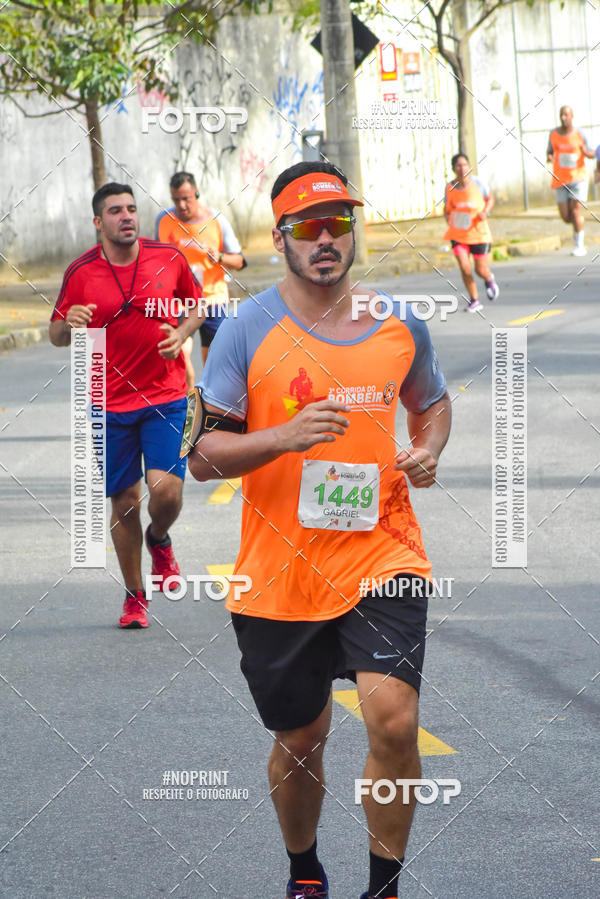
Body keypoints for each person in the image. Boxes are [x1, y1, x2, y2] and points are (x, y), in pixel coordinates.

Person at [187, 161, 452, 899]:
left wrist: (427, 449)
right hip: (279, 572)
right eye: (308, 226)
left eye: (338, 222)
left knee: (394, 723)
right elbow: (203, 454)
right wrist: (285, 436)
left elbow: (430, 402)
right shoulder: (244, 330)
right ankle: (305, 869)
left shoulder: (399, 323)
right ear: (280, 239)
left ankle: (385, 884)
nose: (326, 237)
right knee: (301, 741)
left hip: (383, 551)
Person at [50, 183, 203, 629]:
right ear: (99, 222)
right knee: (124, 504)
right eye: (116, 211)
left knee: (167, 491)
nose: (127, 216)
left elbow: (196, 306)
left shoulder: (168, 258)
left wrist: (183, 333)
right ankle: (135, 595)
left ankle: (160, 538)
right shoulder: (80, 271)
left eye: (132, 209)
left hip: (165, 396)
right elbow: (56, 334)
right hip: (108, 403)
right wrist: (69, 323)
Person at [155, 171, 245, 385]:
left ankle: (210, 406)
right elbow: (155, 259)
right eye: (176, 200)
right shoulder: (164, 220)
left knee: (215, 364)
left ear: (196, 193)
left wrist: (220, 257)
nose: (182, 205)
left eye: (186, 199)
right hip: (179, 302)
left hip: (213, 300)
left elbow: (240, 262)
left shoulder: (216, 220)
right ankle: (188, 406)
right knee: (180, 356)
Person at [444, 153, 499, 312]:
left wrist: (485, 212)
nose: (462, 169)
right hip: (458, 234)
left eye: (465, 165)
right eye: (458, 166)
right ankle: (474, 300)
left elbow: (490, 199)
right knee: (464, 267)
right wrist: (448, 218)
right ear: (454, 168)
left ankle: (489, 279)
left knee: (479, 269)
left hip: (479, 233)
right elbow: (447, 209)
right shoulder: (450, 187)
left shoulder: (478, 183)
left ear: (469, 167)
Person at [546, 105, 595, 256]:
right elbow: (549, 152)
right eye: (562, 115)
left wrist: (588, 153)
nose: (563, 118)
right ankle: (577, 224)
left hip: (577, 178)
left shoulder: (579, 133)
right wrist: (550, 157)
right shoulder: (553, 134)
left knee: (575, 211)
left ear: (572, 117)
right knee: (566, 217)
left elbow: (589, 151)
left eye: (566, 115)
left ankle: (579, 245)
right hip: (560, 180)